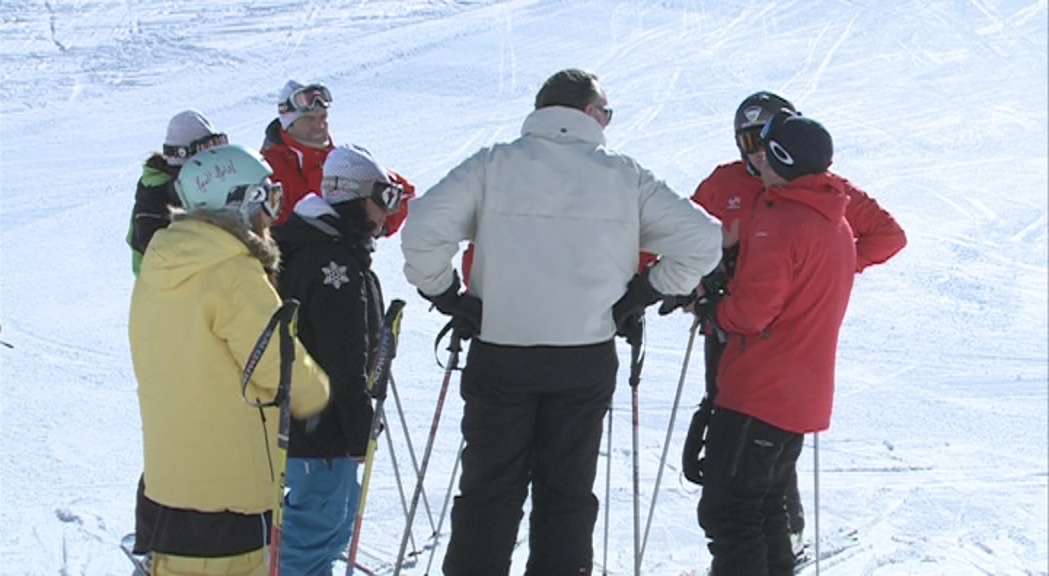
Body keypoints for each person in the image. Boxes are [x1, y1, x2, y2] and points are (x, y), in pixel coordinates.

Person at [400, 68, 722, 576]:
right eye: (607, 113)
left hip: (501, 349)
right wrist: (642, 291)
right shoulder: (623, 176)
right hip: (584, 355)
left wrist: (447, 294)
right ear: (591, 114)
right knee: (567, 493)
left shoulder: (494, 165)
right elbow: (704, 240)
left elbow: (421, 229)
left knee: (489, 490)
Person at [687, 91, 907, 558]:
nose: (755, 153)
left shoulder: (819, 191)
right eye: (747, 140)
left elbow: (888, 236)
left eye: (763, 140)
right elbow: (681, 233)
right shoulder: (725, 183)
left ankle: (786, 537)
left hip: (767, 346)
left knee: (742, 491)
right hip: (740, 348)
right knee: (746, 466)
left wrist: (815, 272)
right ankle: (774, 551)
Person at [129, 143, 330, 576]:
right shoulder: (234, 274)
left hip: (168, 484)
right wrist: (319, 394)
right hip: (228, 491)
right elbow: (281, 365)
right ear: (240, 203)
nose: (272, 216)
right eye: (268, 198)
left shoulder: (161, 266)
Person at [695, 110, 856, 576]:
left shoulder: (782, 220)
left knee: (730, 512)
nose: (756, 157)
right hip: (799, 393)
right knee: (765, 508)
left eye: (767, 148)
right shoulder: (833, 220)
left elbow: (751, 312)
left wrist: (712, 308)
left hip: (761, 390)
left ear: (783, 157)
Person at [274, 144, 405, 574]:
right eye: (382, 198)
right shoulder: (334, 264)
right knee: (314, 537)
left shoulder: (308, 243)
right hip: (319, 432)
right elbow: (343, 358)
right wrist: (357, 431)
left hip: (297, 427)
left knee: (314, 535)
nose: (387, 215)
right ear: (352, 196)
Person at [125, 109, 229, 563]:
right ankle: (153, 536)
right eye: (205, 150)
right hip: (169, 324)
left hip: (198, 318)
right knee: (174, 433)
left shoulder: (197, 183)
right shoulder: (157, 191)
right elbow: (149, 251)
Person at [261, 80, 415, 234]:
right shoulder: (268, 167)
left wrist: (372, 227)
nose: (319, 125)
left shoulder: (340, 162)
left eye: (323, 117)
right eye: (309, 119)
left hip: (344, 252)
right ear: (289, 123)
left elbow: (404, 193)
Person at [128, 109, 228, 274]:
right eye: (206, 151)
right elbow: (158, 252)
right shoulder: (154, 197)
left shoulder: (202, 184)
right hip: (163, 289)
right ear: (183, 155)